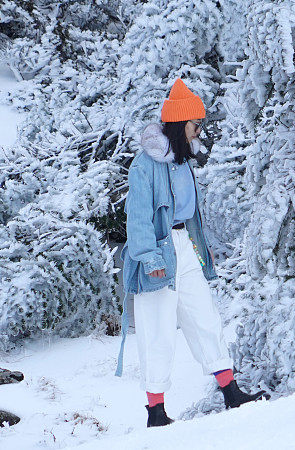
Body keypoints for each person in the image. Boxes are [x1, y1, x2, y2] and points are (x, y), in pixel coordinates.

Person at [115, 78, 269, 427]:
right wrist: (150, 258)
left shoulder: (182, 161)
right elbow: (137, 218)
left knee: (205, 317)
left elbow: (187, 213)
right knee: (157, 331)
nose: (199, 129)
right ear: (179, 122)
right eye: (195, 123)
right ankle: (156, 413)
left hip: (184, 248)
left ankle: (231, 393)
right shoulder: (144, 165)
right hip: (155, 254)